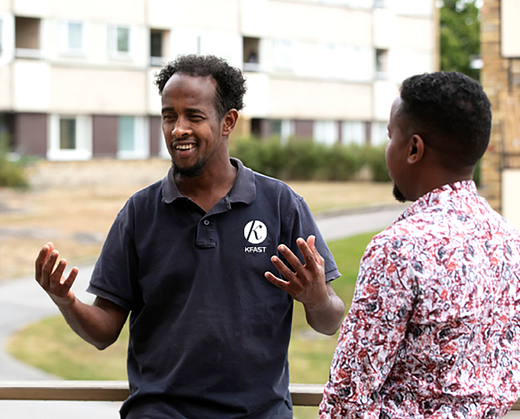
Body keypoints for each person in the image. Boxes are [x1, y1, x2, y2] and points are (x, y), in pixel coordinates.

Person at [36, 54, 345, 418]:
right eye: (169, 116)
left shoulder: (281, 205)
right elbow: (104, 332)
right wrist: (67, 301)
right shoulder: (139, 213)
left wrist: (316, 297)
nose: (178, 128)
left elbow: (330, 321)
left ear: (228, 121)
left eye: (193, 116)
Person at [319, 71, 520, 418]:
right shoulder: (516, 248)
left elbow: (347, 399)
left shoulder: (398, 250)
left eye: (390, 136)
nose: (386, 148)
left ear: (413, 148)